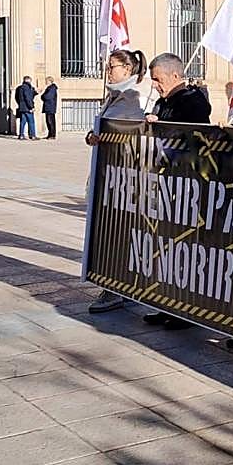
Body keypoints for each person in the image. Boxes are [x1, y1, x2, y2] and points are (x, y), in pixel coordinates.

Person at [141, 53, 211, 328]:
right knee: (166, 246)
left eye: (158, 80)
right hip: (167, 182)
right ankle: (168, 303)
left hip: (188, 183)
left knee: (186, 248)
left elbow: (195, 137)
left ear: (174, 76)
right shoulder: (163, 101)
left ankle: (187, 309)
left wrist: (162, 126)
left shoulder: (193, 102)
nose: (155, 85)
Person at [88, 49, 148, 314]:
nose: (107, 71)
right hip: (107, 173)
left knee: (117, 233)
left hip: (124, 178)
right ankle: (119, 286)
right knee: (111, 232)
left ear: (127, 68)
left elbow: (133, 135)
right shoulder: (115, 96)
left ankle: (115, 288)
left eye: (111, 67)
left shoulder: (135, 97)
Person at [14, 76, 38, 140]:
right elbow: (28, 98)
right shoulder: (27, 87)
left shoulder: (19, 88)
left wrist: (20, 104)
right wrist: (31, 107)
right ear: (28, 80)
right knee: (31, 122)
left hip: (22, 107)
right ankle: (33, 135)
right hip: (28, 107)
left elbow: (16, 97)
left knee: (23, 122)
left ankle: (21, 135)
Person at [40, 76, 59, 140]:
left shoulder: (52, 88)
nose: (46, 82)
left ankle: (52, 135)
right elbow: (43, 96)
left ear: (50, 81)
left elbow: (47, 97)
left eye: (46, 81)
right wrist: (43, 96)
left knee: (51, 122)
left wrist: (43, 96)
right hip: (48, 107)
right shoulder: (49, 88)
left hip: (50, 107)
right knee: (48, 122)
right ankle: (49, 134)